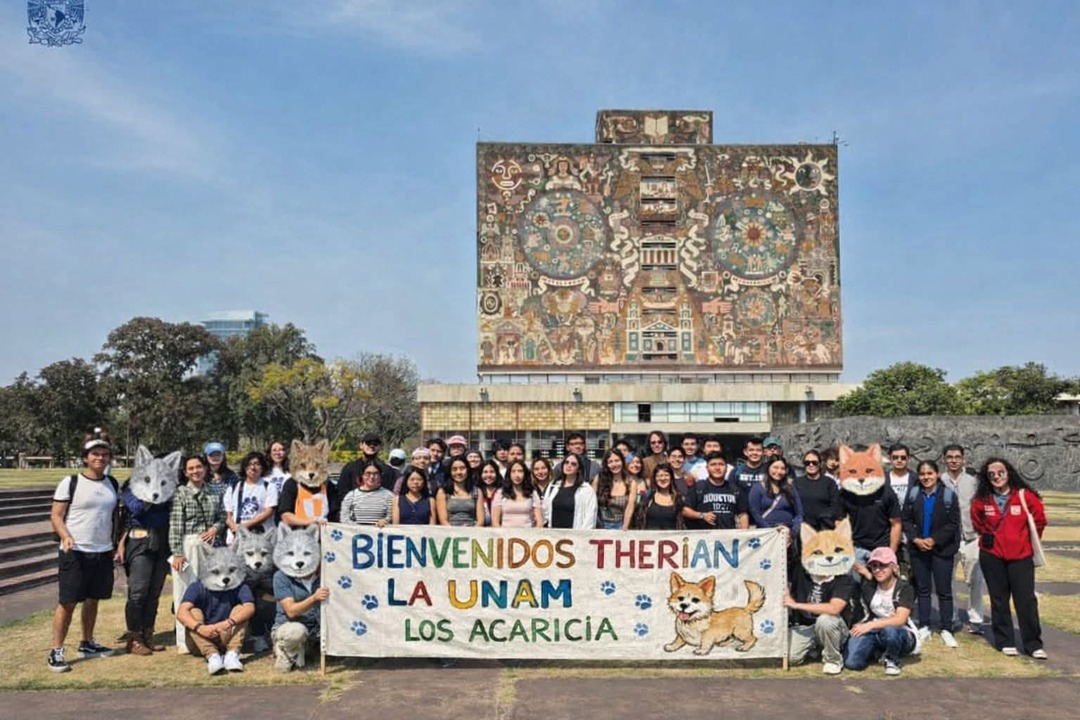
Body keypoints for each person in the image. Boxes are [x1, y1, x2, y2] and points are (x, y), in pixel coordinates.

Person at [47, 431, 121, 672]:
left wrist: (116, 544)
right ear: (86, 458)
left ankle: (87, 642)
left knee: (93, 600)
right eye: (95, 454)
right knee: (67, 602)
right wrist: (66, 537)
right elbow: (56, 516)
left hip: (102, 551)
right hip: (75, 551)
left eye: (104, 454)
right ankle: (56, 651)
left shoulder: (112, 484)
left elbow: (114, 517)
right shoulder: (71, 482)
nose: (100, 458)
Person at [971, 457, 1047, 659]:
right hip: (992, 556)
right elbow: (977, 521)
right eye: (992, 474)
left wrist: (1027, 541)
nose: (997, 477)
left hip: (1021, 556)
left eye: (1000, 472)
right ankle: (1005, 641)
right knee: (999, 600)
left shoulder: (1024, 496)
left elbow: (1039, 519)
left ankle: (1033, 644)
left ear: (1009, 473)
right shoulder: (983, 499)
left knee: (1026, 600)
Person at [117, 451, 179, 656]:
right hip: (140, 542)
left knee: (154, 593)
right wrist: (154, 493)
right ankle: (134, 637)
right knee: (138, 592)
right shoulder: (131, 486)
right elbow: (135, 508)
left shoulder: (170, 488)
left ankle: (148, 634)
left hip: (162, 542)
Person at [169, 454, 227, 652]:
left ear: (205, 468)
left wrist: (215, 529)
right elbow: (176, 526)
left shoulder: (213, 491)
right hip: (189, 545)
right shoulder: (181, 493)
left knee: (209, 590)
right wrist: (177, 553)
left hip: (210, 545)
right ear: (186, 472)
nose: (195, 471)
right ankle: (185, 640)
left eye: (198, 467)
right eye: (191, 468)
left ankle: (209, 636)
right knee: (185, 591)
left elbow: (221, 517)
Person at [901, 460, 961, 648]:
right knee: (923, 589)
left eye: (930, 473)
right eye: (923, 474)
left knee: (944, 591)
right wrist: (916, 539)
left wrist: (934, 540)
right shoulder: (913, 495)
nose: (926, 477)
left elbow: (953, 524)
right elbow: (906, 520)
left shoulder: (948, 496)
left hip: (942, 550)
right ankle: (925, 625)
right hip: (918, 549)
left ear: (937, 474)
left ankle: (946, 628)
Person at [176, 549, 256, 675]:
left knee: (241, 609)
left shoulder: (239, 585)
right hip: (201, 639)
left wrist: (228, 623)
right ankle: (212, 656)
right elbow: (181, 612)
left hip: (227, 634)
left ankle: (232, 654)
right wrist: (200, 628)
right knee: (193, 611)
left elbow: (250, 607)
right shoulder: (197, 586)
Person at [844, 547, 920, 676]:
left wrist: (870, 625)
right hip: (876, 631)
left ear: (893, 567)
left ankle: (892, 661)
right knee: (852, 663)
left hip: (901, 633)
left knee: (890, 629)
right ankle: (876, 652)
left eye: (883, 565)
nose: (878, 570)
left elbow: (899, 619)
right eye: (874, 566)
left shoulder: (905, 588)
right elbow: (870, 579)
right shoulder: (870, 586)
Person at [942, 444, 986, 631]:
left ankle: (976, 619)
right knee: (947, 580)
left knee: (975, 579)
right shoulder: (939, 480)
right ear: (944, 459)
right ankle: (951, 618)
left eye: (957, 457)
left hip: (971, 537)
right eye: (950, 457)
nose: (954, 460)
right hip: (947, 538)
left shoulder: (973, 482)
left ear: (963, 459)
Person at [271, 535, 329, 673]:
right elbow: (291, 611)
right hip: (289, 625)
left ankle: (303, 649)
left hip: (317, 629)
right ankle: (284, 650)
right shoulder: (281, 577)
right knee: (297, 632)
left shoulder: (326, 575)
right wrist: (314, 598)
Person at [683, 452, 749, 530]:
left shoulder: (735, 489)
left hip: (728, 537)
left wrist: (745, 534)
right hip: (704, 538)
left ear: (726, 468)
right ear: (707, 468)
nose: (717, 468)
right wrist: (702, 515)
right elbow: (685, 510)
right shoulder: (698, 487)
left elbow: (743, 514)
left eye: (721, 464)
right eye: (713, 464)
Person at [223, 452, 278, 545]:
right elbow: (228, 516)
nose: (252, 467)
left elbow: (269, 512)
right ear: (244, 467)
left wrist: (244, 526)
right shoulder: (233, 487)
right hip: (237, 537)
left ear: (262, 467)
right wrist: (235, 527)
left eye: (257, 464)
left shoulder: (269, 486)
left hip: (261, 535)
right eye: (249, 464)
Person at [749, 457, 804, 548]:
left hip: (787, 534)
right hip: (767, 535)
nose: (779, 471)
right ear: (768, 468)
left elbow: (799, 513)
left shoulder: (790, 488)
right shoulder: (757, 488)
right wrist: (771, 531)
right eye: (775, 467)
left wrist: (793, 532)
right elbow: (755, 513)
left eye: (782, 468)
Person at [542, 452, 598, 529]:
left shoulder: (586, 490)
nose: (569, 465)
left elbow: (590, 517)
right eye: (566, 462)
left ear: (578, 469)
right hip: (554, 535)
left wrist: (583, 536)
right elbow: (545, 511)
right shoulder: (553, 486)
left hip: (575, 536)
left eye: (573, 464)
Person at [795, 450, 843, 531]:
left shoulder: (829, 483)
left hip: (824, 528)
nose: (811, 465)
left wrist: (825, 516)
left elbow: (835, 505)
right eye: (807, 462)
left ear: (820, 464)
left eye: (814, 462)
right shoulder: (797, 483)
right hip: (803, 528)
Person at [340, 460, 394, 527]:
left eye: (375, 473)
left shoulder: (389, 496)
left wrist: (385, 521)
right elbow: (344, 519)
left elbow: (391, 517)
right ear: (362, 475)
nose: (372, 477)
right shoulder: (351, 496)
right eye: (368, 473)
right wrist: (360, 529)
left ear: (380, 476)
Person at [593, 449, 637, 530]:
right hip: (600, 525)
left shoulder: (631, 483)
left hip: (621, 525)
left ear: (622, 461)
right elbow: (591, 503)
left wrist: (624, 527)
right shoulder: (599, 479)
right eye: (610, 462)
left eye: (617, 460)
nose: (614, 464)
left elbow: (630, 507)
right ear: (606, 464)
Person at [492, 460, 543, 528]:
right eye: (513, 471)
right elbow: (495, 522)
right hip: (505, 535)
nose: (517, 475)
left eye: (520, 471)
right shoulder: (500, 493)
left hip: (528, 535)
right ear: (509, 474)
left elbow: (540, 522)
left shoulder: (532, 493)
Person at [635, 463, 684, 530]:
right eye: (659, 476)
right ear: (654, 479)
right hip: (650, 538)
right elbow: (639, 521)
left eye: (666, 475)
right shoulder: (647, 498)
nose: (663, 478)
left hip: (672, 539)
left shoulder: (679, 499)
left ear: (671, 478)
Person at [437, 456, 481, 527]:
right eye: (454, 469)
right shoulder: (443, 491)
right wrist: (457, 533)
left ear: (467, 470)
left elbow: (480, 520)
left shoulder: (476, 491)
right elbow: (443, 520)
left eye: (462, 468)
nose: (459, 472)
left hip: (472, 532)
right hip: (450, 533)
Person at [886, 444, 917, 509]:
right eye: (895, 457)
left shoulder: (916, 479)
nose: (899, 460)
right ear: (889, 459)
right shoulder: (882, 479)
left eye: (903, 458)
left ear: (909, 459)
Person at [477, 459, 502, 526]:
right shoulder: (476, 492)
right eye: (485, 472)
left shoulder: (502, 491)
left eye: (492, 472)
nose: (489, 475)